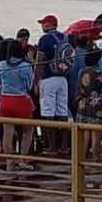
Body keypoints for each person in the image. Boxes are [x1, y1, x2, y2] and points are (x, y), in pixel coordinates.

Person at [0, 38, 36, 172]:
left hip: (5, 99)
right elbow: (29, 85)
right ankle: (23, 160)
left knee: (8, 132)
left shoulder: (1, 64)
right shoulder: (25, 66)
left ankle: (9, 162)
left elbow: (0, 83)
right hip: (21, 100)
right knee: (28, 131)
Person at [34, 14, 70, 155]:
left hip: (48, 78)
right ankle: (65, 146)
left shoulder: (44, 39)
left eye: (43, 23)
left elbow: (39, 62)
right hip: (63, 79)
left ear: (49, 24)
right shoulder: (65, 38)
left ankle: (52, 147)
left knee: (48, 112)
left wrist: (36, 81)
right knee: (62, 112)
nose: (42, 26)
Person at [75, 49, 102, 161]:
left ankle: (81, 160)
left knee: (85, 134)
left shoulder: (81, 72)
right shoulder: (99, 75)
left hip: (83, 105)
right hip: (96, 108)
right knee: (96, 135)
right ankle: (96, 160)